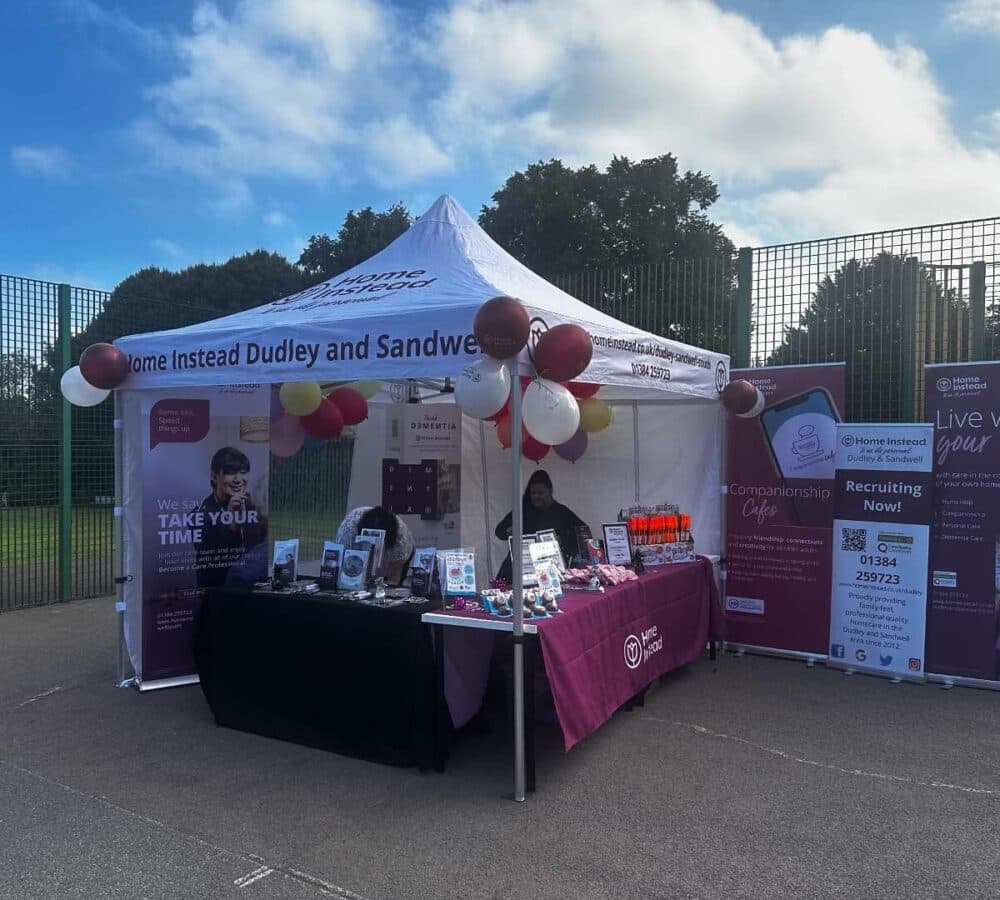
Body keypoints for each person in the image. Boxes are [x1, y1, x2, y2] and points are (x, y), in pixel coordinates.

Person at [494, 470, 587, 583]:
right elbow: (499, 532)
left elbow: (583, 533)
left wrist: (563, 542)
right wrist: (511, 530)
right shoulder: (522, 509)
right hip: (519, 569)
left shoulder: (561, 512)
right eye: (533, 493)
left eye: (540, 493)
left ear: (550, 491)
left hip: (548, 571)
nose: (536, 496)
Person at [194, 447, 267, 589]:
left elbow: (257, 550)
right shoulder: (199, 514)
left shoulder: (254, 505)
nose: (238, 480)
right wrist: (231, 520)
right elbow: (212, 557)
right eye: (231, 473)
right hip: (217, 592)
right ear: (214, 476)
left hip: (252, 587)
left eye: (243, 473)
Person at [336, 505, 415, 585]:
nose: (373, 550)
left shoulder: (402, 542)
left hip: (394, 554)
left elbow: (394, 579)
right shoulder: (348, 531)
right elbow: (344, 566)